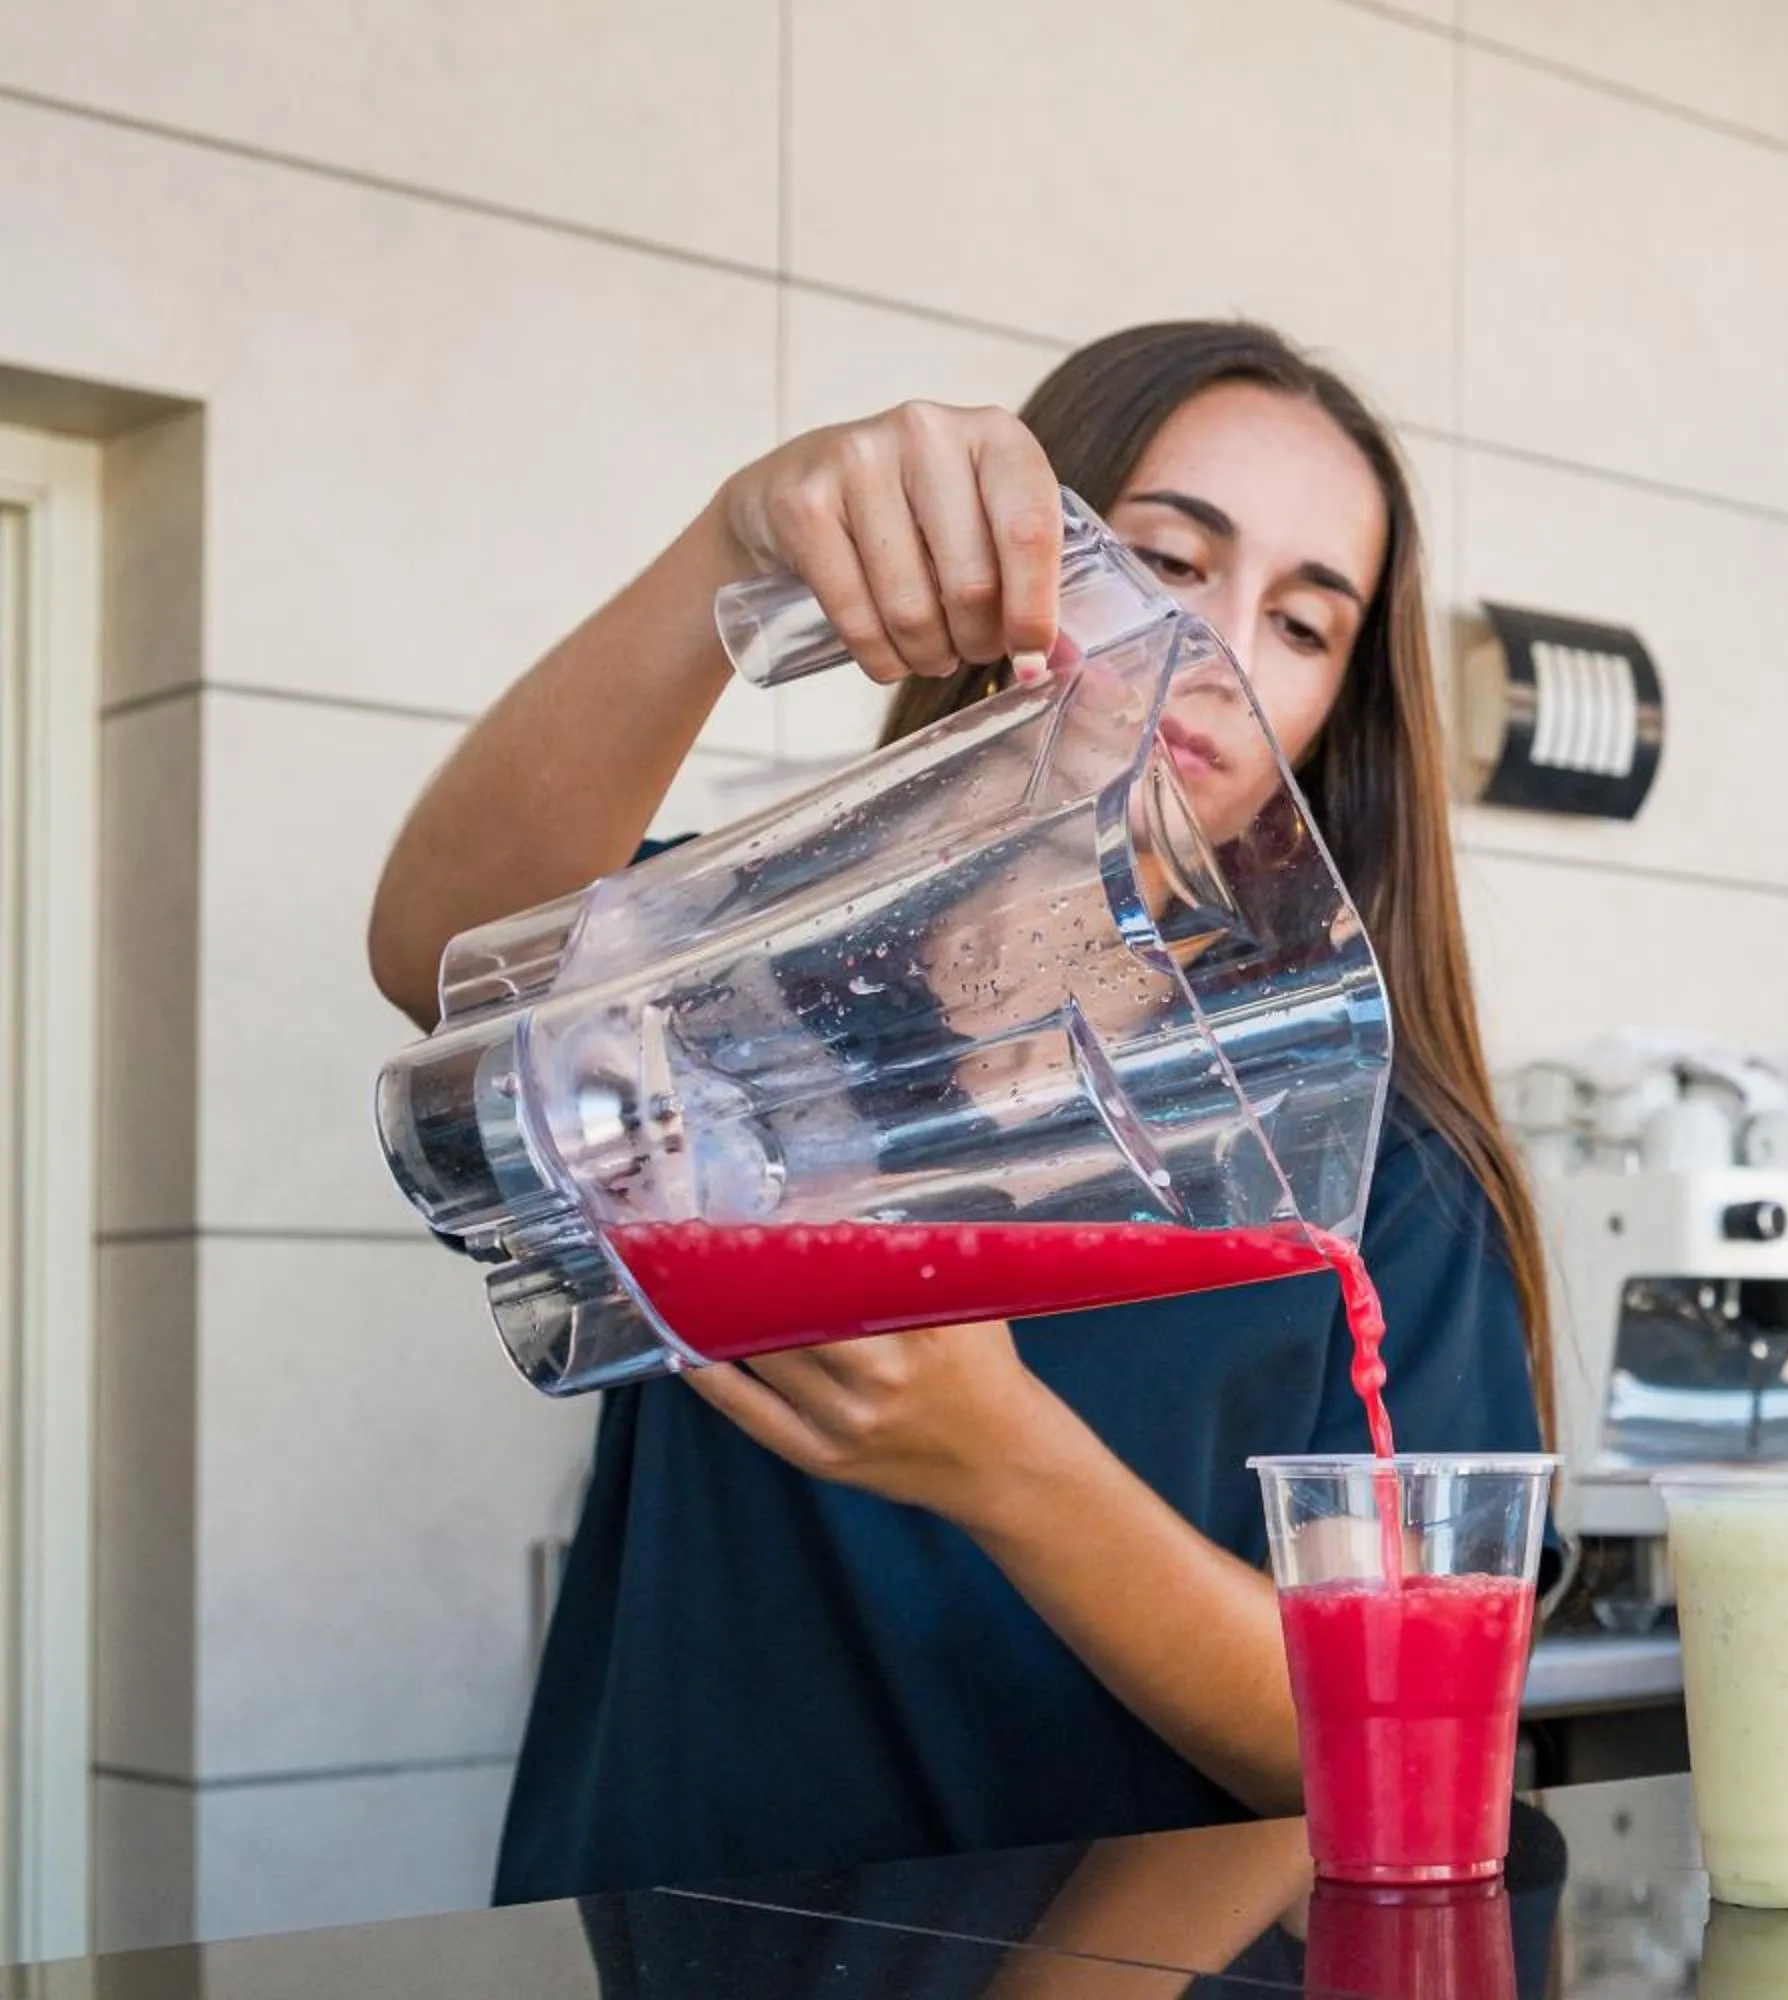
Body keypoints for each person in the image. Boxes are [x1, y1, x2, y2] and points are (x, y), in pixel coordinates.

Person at [366, 321, 1555, 1902]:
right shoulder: (745, 985)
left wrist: (1004, 1465)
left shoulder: (1382, 1181)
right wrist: (736, 548)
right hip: (680, 1938)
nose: (1215, 653)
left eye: (1303, 622)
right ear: (1016, 565)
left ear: (1339, 711)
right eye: (1167, 561)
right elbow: (437, 951)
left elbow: (1387, 1750)